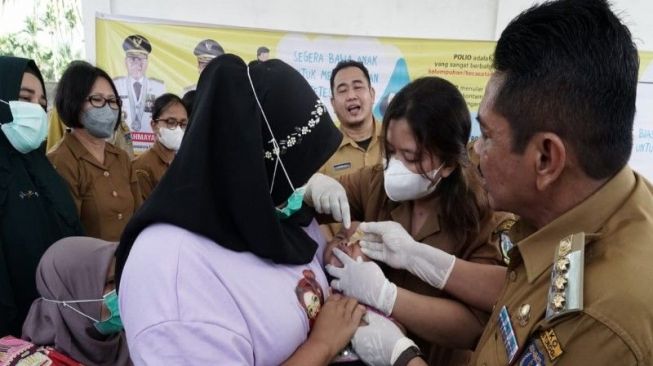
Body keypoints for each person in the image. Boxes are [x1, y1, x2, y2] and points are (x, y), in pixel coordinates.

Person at [114, 54, 366, 365]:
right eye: (298, 173)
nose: (301, 186)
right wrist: (322, 345)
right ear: (251, 163)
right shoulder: (172, 279)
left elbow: (298, 259)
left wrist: (332, 253)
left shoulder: (257, 210)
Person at [470, 0, 653, 364]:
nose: (476, 151)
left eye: (487, 135)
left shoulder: (600, 321)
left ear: (546, 159)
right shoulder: (605, 201)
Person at [305, 77, 513, 365]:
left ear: (449, 164)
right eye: (390, 151)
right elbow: (310, 205)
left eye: (411, 157)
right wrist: (311, 188)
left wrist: (386, 296)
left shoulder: (481, 215)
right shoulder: (375, 183)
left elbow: (472, 327)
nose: (395, 167)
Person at [0, 56, 84, 337]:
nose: (35, 109)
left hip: (61, 325)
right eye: (25, 97)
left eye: (41, 103)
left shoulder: (43, 168)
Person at [48, 61, 142, 242]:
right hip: (87, 266)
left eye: (113, 101)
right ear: (73, 102)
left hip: (128, 262)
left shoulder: (121, 157)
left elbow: (138, 214)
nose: (108, 108)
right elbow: (66, 234)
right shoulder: (60, 161)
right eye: (97, 99)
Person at [22, 237, 131, 365]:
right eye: (110, 282)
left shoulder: (126, 341)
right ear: (70, 298)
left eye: (121, 279)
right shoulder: (42, 361)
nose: (122, 292)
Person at [319, 60, 383, 242]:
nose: (351, 96)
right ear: (332, 102)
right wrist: (331, 247)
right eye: (342, 90)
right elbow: (314, 216)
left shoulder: (396, 139)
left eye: (358, 87)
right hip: (342, 258)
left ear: (371, 94)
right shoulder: (321, 150)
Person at [132, 93, 188, 201]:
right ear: (154, 126)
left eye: (183, 124)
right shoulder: (141, 168)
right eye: (171, 122)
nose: (178, 129)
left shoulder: (182, 162)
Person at [113, 34, 166, 146]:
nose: (137, 64)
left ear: (147, 62)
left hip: (150, 149)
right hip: (122, 147)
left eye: (142, 59)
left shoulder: (159, 88)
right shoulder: (116, 85)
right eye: (133, 59)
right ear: (125, 61)